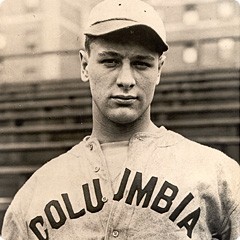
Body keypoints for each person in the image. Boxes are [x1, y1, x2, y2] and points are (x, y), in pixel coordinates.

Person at [2, 0, 239, 239]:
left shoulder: (219, 175)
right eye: (110, 61)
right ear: (85, 65)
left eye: (141, 64)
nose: (126, 79)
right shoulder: (36, 191)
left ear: (159, 70)